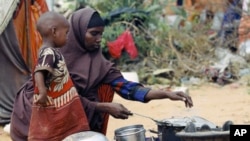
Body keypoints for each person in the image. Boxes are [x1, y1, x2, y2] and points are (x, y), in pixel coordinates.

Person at [10, 7, 193, 140]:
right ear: (78, 32)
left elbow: (129, 89)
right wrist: (103, 107)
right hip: (35, 118)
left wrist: (167, 94)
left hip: (71, 122)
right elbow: (57, 98)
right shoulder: (54, 57)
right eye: (94, 34)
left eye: (101, 34)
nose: (99, 39)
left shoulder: (100, 65)